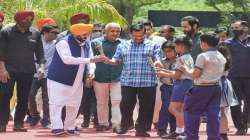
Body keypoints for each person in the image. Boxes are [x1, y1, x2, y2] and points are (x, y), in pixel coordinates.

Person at [47, 23, 105, 136]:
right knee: (56, 104)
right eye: (84, 34)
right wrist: (90, 60)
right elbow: (67, 59)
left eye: (88, 34)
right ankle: (57, 128)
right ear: (75, 33)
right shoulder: (63, 42)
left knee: (74, 105)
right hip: (59, 79)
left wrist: (91, 71)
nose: (86, 36)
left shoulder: (87, 42)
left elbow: (91, 59)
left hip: (78, 80)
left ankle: (69, 127)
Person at [104, 23, 162, 137]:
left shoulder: (153, 45)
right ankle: (126, 125)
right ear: (131, 34)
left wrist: (158, 63)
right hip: (128, 81)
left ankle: (142, 129)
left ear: (145, 33)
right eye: (135, 36)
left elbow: (157, 59)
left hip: (148, 81)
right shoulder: (123, 45)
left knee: (146, 107)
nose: (138, 38)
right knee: (125, 105)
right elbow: (117, 60)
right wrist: (109, 61)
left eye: (141, 36)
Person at [0, 10, 45, 132]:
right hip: (9, 70)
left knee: (23, 98)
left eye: (30, 19)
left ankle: (18, 124)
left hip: (27, 71)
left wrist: (41, 66)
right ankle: (2, 123)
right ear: (18, 20)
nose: (29, 21)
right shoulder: (6, 32)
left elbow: (40, 53)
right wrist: (2, 70)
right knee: (4, 96)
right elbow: (1, 53)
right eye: (26, 19)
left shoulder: (35, 33)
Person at [178, 32, 226, 140]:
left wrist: (185, 69)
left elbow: (195, 75)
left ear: (203, 43)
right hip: (216, 87)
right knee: (213, 113)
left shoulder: (202, 56)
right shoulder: (221, 56)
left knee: (191, 111)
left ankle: (191, 136)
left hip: (201, 87)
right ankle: (214, 137)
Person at [156, 36, 194, 139]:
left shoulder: (181, 58)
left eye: (176, 45)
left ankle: (189, 129)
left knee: (172, 109)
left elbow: (177, 75)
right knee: (179, 109)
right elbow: (178, 72)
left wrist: (163, 73)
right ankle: (179, 131)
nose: (175, 47)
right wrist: (163, 71)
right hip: (185, 83)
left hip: (181, 84)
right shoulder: (188, 56)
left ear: (181, 46)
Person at [27, 18, 59, 128]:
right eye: (53, 33)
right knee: (30, 95)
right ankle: (34, 115)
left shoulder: (57, 44)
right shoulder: (34, 41)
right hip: (33, 74)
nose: (56, 35)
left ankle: (46, 120)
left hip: (49, 75)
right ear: (45, 32)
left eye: (57, 33)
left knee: (47, 98)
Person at [91, 22, 123, 132]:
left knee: (117, 101)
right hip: (100, 77)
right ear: (105, 31)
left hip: (118, 77)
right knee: (101, 102)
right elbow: (89, 60)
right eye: (112, 31)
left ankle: (116, 124)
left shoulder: (124, 44)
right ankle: (103, 123)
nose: (115, 33)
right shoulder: (95, 43)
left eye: (117, 31)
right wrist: (88, 75)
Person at [224, 20, 250, 135]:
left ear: (245, 29)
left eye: (237, 27)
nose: (234, 30)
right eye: (233, 27)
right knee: (235, 102)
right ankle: (240, 127)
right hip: (233, 77)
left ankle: (246, 123)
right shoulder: (227, 43)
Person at [156, 41, 177, 137]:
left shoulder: (180, 61)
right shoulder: (162, 62)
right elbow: (158, 75)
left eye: (169, 51)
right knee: (165, 108)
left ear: (175, 50)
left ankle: (174, 130)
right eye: (165, 52)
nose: (167, 53)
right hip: (166, 87)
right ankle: (161, 130)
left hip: (178, 87)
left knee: (175, 109)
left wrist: (163, 72)